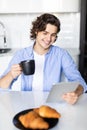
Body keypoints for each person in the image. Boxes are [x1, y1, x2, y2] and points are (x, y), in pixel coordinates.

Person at [0, 13, 87, 104]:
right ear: (36, 31)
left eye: (53, 35)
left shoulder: (61, 55)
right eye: (45, 33)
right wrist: (11, 75)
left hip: (53, 104)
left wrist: (75, 93)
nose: (48, 39)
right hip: (27, 104)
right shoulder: (22, 55)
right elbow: (1, 86)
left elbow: (80, 82)